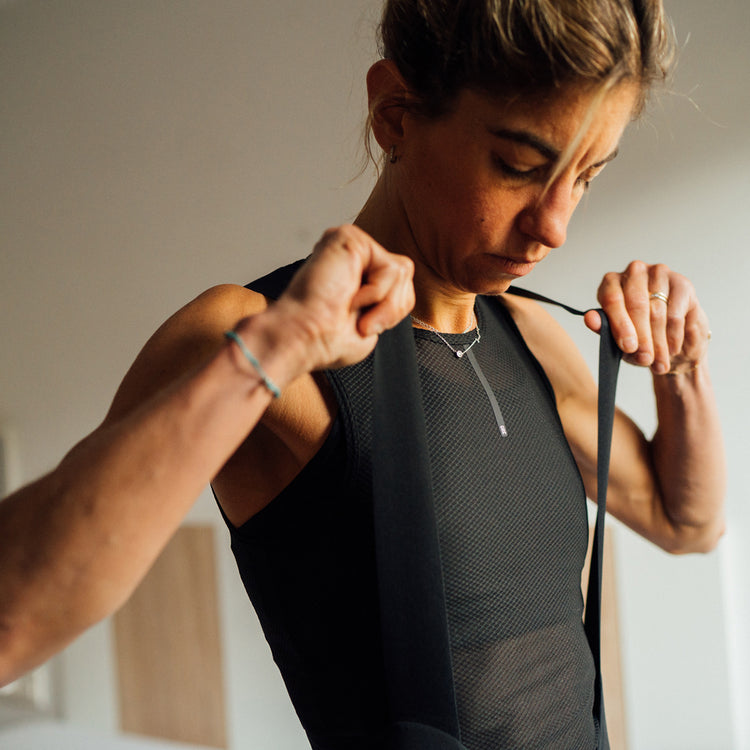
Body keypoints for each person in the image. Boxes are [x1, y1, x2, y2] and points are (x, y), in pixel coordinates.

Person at [0, 1, 725, 749]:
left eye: (587, 177)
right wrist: (270, 352)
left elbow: (687, 523)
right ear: (395, 112)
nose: (555, 226)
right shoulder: (250, 333)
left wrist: (683, 365)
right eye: (518, 167)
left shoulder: (531, 335)